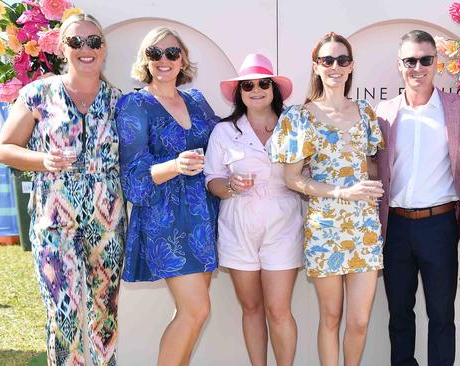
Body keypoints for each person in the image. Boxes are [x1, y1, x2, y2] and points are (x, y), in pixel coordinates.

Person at [0, 13, 125, 365]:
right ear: (61, 49)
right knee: (64, 316)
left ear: (104, 48)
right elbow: (4, 147)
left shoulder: (119, 100)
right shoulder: (38, 93)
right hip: (53, 217)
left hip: (107, 221)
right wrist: (43, 160)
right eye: (76, 42)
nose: (86, 49)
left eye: (94, 42)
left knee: (104, 315)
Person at [270, 32, 384, 366]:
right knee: (331, 317)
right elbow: (292, 179)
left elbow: (374, 163)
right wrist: (340, 191)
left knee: (360, 321)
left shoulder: (365, 112)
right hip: (325, 228)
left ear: (351, 67)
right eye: (327, 60)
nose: (335, 66)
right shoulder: (299, 116)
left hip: (364, 227)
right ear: (316, 67)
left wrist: (371, 185)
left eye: (342, 60)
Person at [115, 27, 219, 365]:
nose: (164, 60)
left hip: (204, 218)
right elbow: (131, 178)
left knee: (195, 315)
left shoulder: (196, 100)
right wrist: (174, 165)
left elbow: (223, 142)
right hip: (166, 221)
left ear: (183, 59)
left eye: (172, 53)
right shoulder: (135, 104)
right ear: (145, 60)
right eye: (154, 53)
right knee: (196, 309)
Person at [375, 30, 460, 366]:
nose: (417, 67)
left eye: (425, 59)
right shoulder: (384, 114)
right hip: (397, 228)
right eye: (410, 60)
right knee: (400, 315)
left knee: (442, 315)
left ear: (437, 62)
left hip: (441, 225)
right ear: (399, 65)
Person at [203, 53, 302, 366]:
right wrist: (231, 186)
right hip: (237, 223)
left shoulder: (293, 126)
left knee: (278, 309)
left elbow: (307, 174)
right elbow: (212, 180)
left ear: (273, 88)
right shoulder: (224, 131)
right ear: (239, 92)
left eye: (263, 83)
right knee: (251, 308)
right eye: (248, 85)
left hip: (283, 223)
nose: (256, 90)